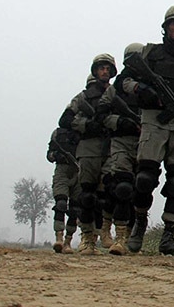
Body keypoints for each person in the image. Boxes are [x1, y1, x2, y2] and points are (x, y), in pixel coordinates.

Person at [122, 5, 174, 256]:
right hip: (154, 120)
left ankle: (169, 236)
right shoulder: (150, 54)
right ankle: (139, 223)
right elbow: (123, 81)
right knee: (145, 178)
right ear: (166, 28)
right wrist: (141, 90)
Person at [59, 53, 117, 255]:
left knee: (110, 190)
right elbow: (65, 121)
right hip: (89, 148)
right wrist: (87, 125)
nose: (105, 71)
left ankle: (103, 233)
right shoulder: (82, 98)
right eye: (102, 68)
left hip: (111, 147)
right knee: (87, 195)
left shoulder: (115, 94)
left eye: (108, 69)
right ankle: (86, 238)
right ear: (95, 71)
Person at [97, 43, 143, 255]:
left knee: (140, 190)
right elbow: (101, 116)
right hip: (121, 142)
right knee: (122, 188)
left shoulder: (151, 85)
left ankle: (134, 235)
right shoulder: (115, 89)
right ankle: (120, 236)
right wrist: (120, 122)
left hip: (146, 142)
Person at [46, 125, 81, 254]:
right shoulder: (57, 133)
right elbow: (49, 155)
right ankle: (59, 238)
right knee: (60, 203)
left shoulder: (84, 131)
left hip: (79, 171)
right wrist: (56, 155)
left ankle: (68, 241)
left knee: (74, 209)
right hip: (62, 170)